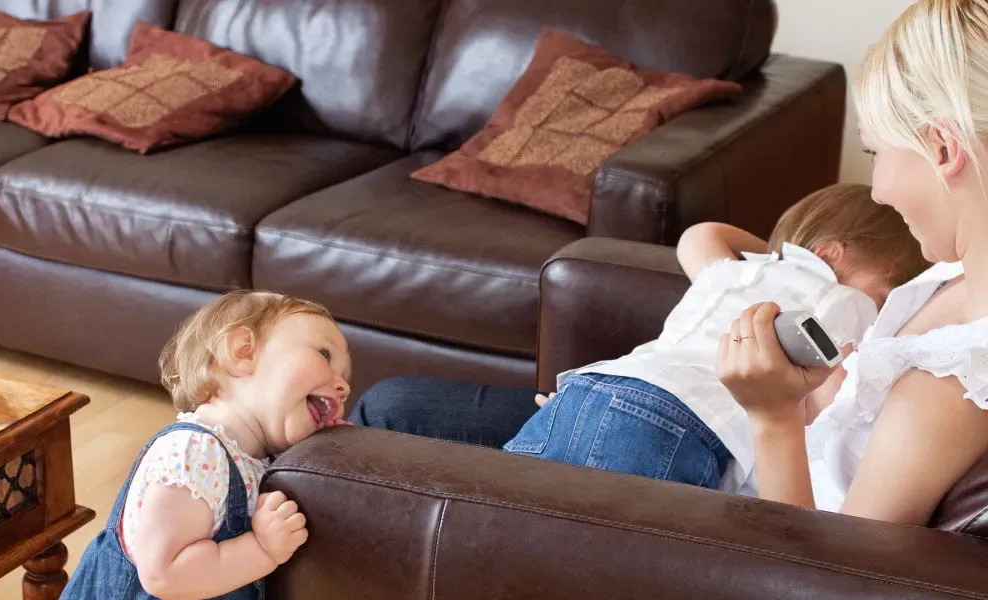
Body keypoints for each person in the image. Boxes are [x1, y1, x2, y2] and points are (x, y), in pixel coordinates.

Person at [353, 0, 988, 525]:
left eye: (876, 155)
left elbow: (836, 577)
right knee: (388, 408)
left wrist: (771, 415)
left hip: (699, 504)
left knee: (362, 496)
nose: (875, 189)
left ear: (940, 148)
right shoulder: (952, 278)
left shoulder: (948, 380)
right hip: (657, 421)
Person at [501, 183, 927, 493]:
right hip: (682, 420)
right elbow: (826, 403)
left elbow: (701, 234)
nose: (888, 305)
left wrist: (777, 255)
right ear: (831, 254)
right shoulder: (844, 300)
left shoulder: (731, 273)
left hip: (590, 387)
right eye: (888, 291)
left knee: (505, 526)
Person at [61, 291, 351, 599]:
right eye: (324, 354)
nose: (344, 387)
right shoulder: (195, 452)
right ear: (243, 352)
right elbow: (164, 573)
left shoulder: (258, 459)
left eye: (346, 378)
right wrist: (262, 548)